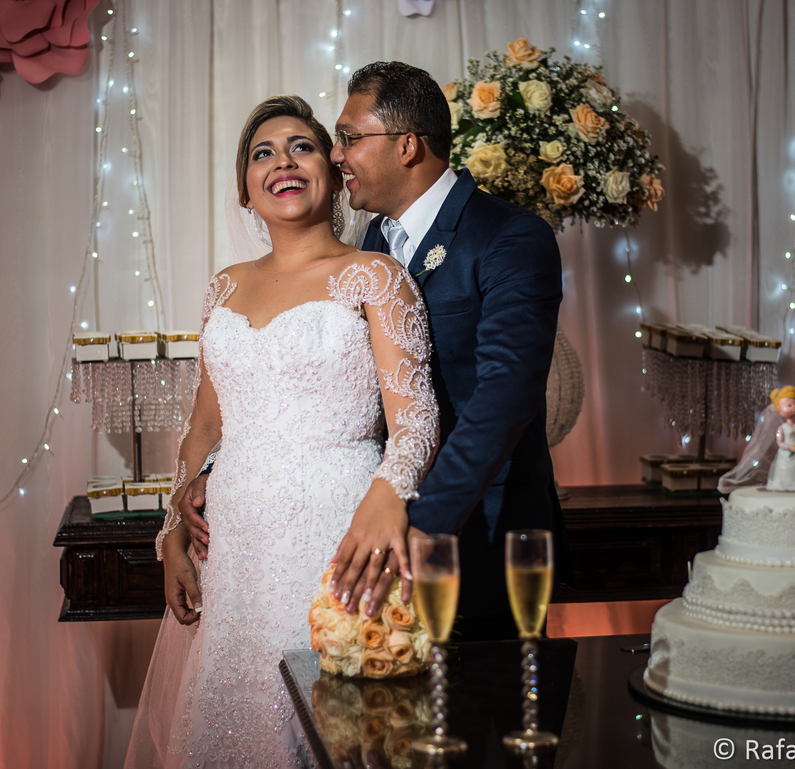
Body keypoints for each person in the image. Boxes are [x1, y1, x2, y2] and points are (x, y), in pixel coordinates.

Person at [180, 61, 570, 641]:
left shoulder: (509, 237)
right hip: (330, 527)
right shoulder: (375, 242)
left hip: (477, 538)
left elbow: (505, 399)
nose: (338, 156)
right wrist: (213, 474)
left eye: (349, 138)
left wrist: (415, 517)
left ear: (407, 145)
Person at [124, 95, 439, 767]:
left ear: (331, 166)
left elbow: (417, 423)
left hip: (339, 535)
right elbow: (206, 422)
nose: (282, 163)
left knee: (336, 727)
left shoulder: (376, 277)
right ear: (245, 189)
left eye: (300, 145)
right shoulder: (224, 289)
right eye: (262, 153)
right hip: (234, 545)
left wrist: (387, 500)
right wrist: (171, 529)